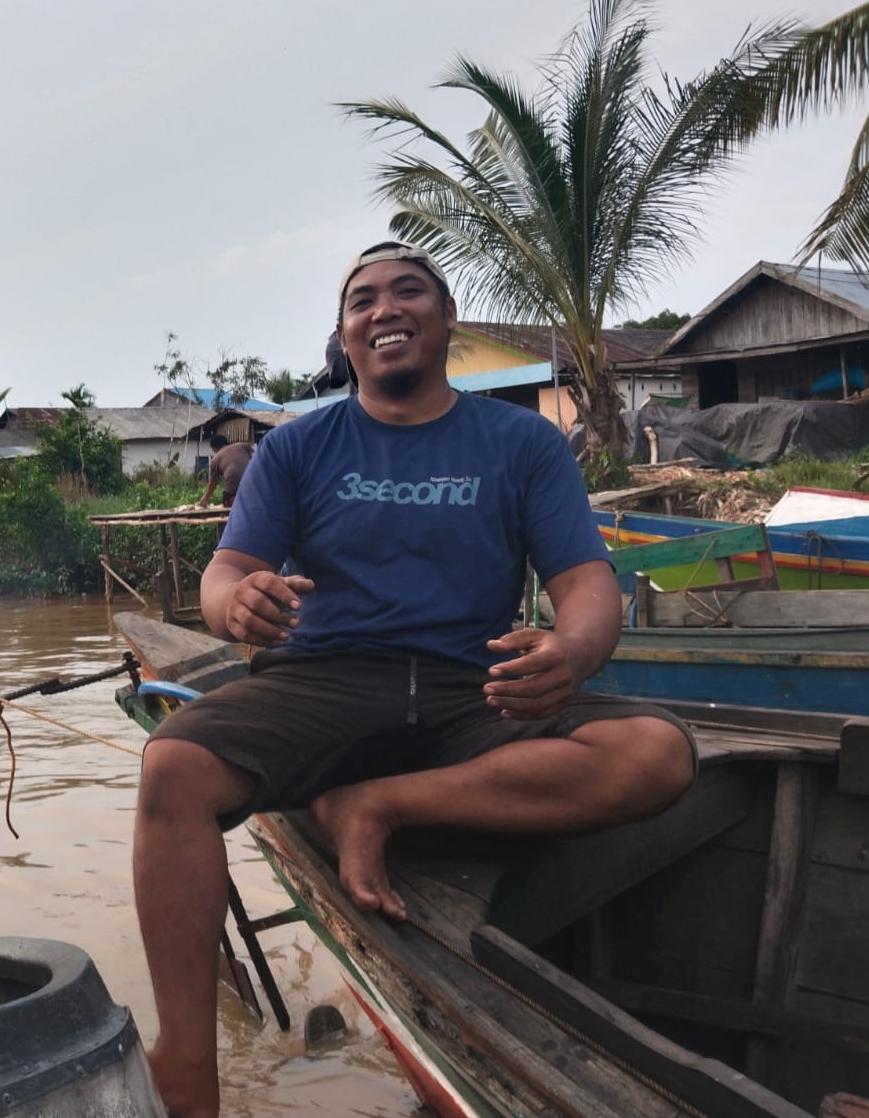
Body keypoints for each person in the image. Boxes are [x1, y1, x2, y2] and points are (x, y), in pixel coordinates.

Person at [131, 240, 696, 1117]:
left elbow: (585, 585)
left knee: (656, 753)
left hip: (471, 690)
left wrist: (572, 654)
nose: (385, 308)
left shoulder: (520, 444)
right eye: (363, 300)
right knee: (172, 768)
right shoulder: (296, 447)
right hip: (325, 680)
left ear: (449, 322)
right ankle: (185, 1067)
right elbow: (225, 573)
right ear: (345, 336)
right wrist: (237, 605)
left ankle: (377, 803)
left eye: (409, 292)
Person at [194, 433, 255, 508]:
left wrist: (205, 497)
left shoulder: (215, 459)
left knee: (227, 499)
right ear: (227, 443)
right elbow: (254, 460)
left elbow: (213, 483)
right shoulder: (243, 446)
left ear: (214, 449)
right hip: (254, 491)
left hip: (233, 497)